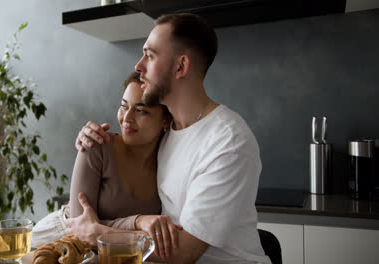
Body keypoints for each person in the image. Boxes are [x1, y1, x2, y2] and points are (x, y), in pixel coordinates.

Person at [70, 13, 271, 264]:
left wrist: (99, 233)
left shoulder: (227, 142)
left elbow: (183, 252)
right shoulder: (165, 131)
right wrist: (89, 135)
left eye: (150, 55)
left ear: (180, 67)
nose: (139, 66)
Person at [31, 72, 175, 248]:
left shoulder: (169, 161)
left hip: (113, 251)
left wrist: (128, 231)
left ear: (166, 120)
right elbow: (81, 229)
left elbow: (95, 231)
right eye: (123, 106)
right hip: (59, 240)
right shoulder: (97, 146)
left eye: (140, 111)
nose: (126, 119)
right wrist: (138, 222)